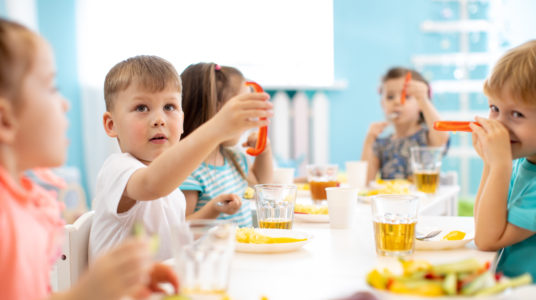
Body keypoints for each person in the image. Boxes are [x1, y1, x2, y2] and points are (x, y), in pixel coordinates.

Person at [0, 18, 177, 300]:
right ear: (6, 120)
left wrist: (96, 290)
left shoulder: (19, 208)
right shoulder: (5, 219)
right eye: (51, 88)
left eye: (170, 106)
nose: (65, 103)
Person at [88, 57, 272, 261]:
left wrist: (213, 210)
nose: (159, 120)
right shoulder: (118, 168)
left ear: (182, 120)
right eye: (141, 108)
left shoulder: (172, 189)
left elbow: (177, 237)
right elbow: (152, 184)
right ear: (111, 124)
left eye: (169, 107)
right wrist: (217, 128)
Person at [179, 63, 274, 227]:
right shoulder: (189, 170)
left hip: (239, 251)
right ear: (215, 113)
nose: (251, 119)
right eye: (243, 110)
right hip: (214, 252)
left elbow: (261, 185)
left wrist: (264, 151)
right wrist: (215, 208)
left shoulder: (232, 158)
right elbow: (183, 227)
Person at [471, 40, 536, 280]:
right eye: (494, 108)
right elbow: (483, 224)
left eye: (516, 114)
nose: (498, 123)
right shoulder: (522, 161)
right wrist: (490, 163)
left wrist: (498, 165)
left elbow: (487, 240)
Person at [361, 67, 450, 182]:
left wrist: (423, 99)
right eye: (390, 97)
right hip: (391, 199)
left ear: (420, 105)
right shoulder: (381, 145)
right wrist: (369, 140)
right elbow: (365, 180)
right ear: (383, 104)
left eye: (406, 96)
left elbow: (442, 137)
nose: (397, 101)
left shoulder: (427, 138)